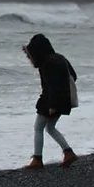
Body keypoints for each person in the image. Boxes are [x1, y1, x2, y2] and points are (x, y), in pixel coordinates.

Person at [22, 33, 78, 169]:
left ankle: (37, 158)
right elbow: (74, 76)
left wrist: (52, 105)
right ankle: (68, 152)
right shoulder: (60, 58)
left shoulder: (46, 63)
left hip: (50, 101)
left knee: (38, 128)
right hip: (64, 100)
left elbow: (52, 85)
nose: (29, 57)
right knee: (50, 128)